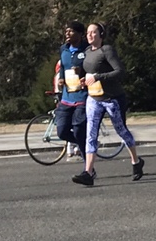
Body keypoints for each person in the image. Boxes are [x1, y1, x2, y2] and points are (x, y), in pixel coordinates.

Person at [70, 23, 145, 186]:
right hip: (93, 99)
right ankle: (88, 172)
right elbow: (88, 74)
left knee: (121, 131)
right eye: (88, 33)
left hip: (112, 99)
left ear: (101, 34)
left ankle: (136, 161)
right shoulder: (87, 53)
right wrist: (84, 81)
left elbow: (119, 72)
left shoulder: (107, 50)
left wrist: (98, 77)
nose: (90, 35)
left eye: (94, 32)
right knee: (91, 134)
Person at [55, 21, 89, 163]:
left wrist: (83, 73)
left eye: (71, 31)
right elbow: (63, 66)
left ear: (80, 34)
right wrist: (61, 78)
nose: (67, 34)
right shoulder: (64, 49)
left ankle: (88, 164)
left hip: (82, 96)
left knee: (78, 129)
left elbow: (96, 68)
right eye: (66, 31)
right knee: (62, 131)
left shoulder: (87, 49)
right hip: (67, 97)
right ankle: (88, 144)